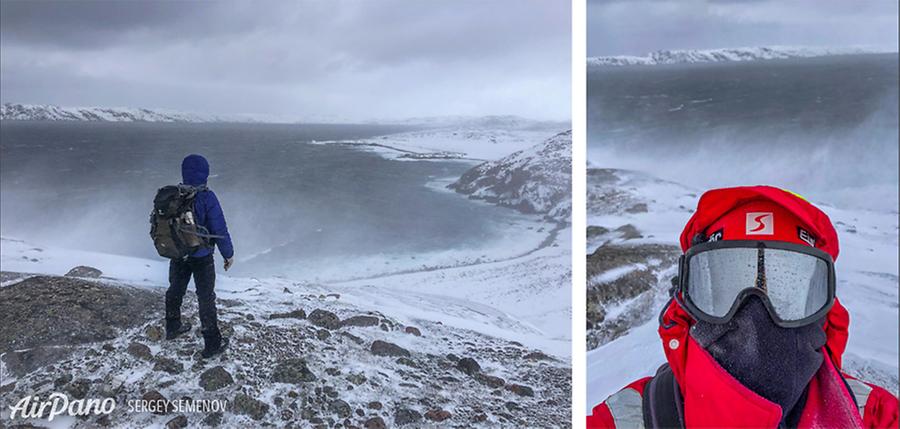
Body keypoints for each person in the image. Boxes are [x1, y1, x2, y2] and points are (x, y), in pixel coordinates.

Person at [587, 186, 898, 428]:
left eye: (785, 286)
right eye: (728, 283)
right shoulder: (624, 419)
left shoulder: (876, 416)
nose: (755, 311)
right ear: (687, 300)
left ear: (822, 304)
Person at [165, 154, 234, 359]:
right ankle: (212, 344)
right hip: (202, 255)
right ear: (205, 173)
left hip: (178, 253)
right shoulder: (207, 197)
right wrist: (228, 254)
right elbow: (219, 228)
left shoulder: (173, 195)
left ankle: (172, 327)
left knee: (175, 289)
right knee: (205, 297)